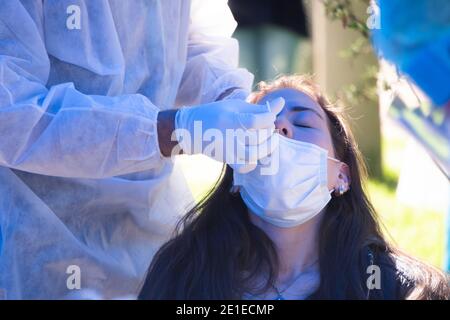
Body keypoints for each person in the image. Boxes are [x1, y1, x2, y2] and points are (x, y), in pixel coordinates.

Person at [0, 0, 283, 299]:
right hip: (38, 238)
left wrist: (230, 95)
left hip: (149, 229)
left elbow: (195, 42)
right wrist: (170, 130)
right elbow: (11, 113)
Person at [139, 75, 450, 300]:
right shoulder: (183, 276)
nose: (280, 127)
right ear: (236, 173)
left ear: (341, 176)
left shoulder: (402, 289)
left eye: (302, 123)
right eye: (262, 124)